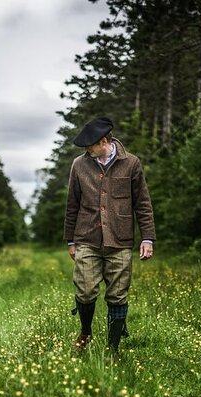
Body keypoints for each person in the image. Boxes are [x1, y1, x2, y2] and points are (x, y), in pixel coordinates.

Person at [64, 116, 156, 358]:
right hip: (86, 238)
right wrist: (70, 240)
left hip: (120, 240)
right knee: (84, 290)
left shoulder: (132, 164)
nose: (86, 150)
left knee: (117, 295)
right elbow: (72, 204)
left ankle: (113, 348)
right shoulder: (79, 165)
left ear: (104, 141)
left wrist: (148, 238)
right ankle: (85, 332)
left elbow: (143, 204)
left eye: (90, 145)